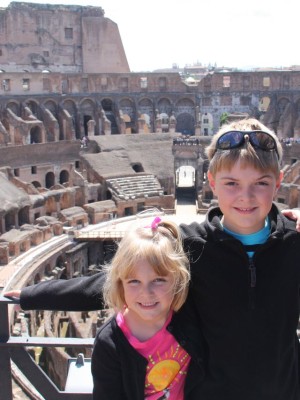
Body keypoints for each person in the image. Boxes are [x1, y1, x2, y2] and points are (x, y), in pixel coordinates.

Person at [5, 118, 300, 399]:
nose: (245, 197)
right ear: (211, 182)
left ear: (278, 182)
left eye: (260, 183)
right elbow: (119, 282)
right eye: (231, 183)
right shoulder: (190, 245)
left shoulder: (294, 243)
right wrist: (33, 295)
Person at [91, 216, 203, 400]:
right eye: (134, 281)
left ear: (177, 281)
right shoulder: (109, 344)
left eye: (158, 280)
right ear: (121, 285)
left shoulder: (187, 318)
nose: (147, 293)